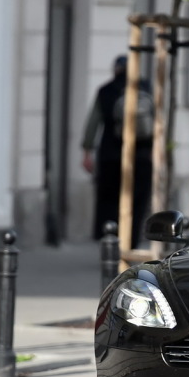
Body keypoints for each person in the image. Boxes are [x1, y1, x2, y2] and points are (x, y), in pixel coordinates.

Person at [81, 55, 154, 245]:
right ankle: (132, 241)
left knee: (109, 202)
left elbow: (93, 123)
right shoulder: (147, 89)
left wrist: (87, 152)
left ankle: (110, 240)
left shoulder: (105, 91)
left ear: (116, 70)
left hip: (110, 157)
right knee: (137, 202)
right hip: (142, 156)